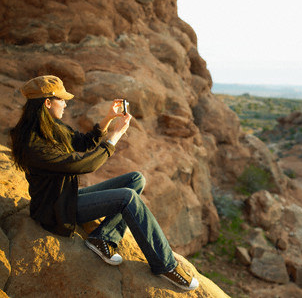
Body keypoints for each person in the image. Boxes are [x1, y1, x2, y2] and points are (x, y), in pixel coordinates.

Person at [10, 75, 199, 291]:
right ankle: (166, 265)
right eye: (61, 100)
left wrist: (109, 119)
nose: (65, 103)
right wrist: (115, 136)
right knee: (127, 198)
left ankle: (102, 238)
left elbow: (82, 141)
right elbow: (83, 165)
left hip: (67, 196)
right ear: (47, 102)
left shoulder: (49, 126)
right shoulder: (32, 143)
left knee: (135, 179)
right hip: (56, 210)